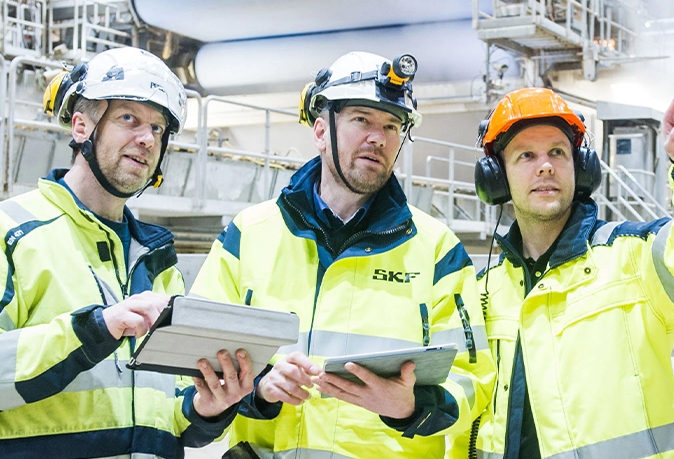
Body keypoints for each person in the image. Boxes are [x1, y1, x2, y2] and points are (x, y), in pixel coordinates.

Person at [191, 51, 495, 458]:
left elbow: (474, 379)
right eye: (361, 120)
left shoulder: (437, 249)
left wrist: (411, 407)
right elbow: (196, 360)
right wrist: (259, 388)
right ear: (320, 131)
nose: (378, 138)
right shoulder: (248, 234)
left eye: (392, 126)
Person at [457, 86, 674, 459]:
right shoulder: (484, 290)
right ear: (496, 179)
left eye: (557, 152)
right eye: (526, 155)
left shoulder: (635, 257)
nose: (545, 166)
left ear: (581, 168)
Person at [0, 47, 254, 458]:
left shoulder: (157, 261)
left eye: (157, 127)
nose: (147, 138)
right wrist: (95, 329)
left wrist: (205, 407)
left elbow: (170, 414)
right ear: (81, 126)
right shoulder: (11, 230)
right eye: (129, 118)